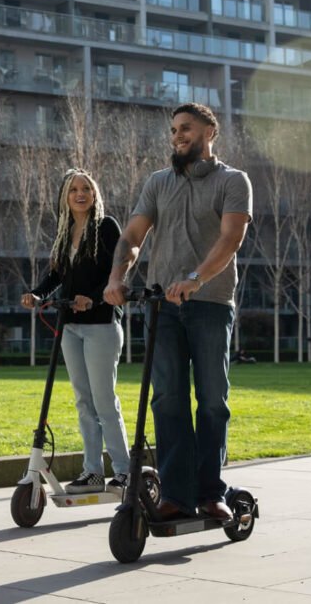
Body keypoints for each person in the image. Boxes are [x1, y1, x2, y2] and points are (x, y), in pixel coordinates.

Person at [103, 103, 252, 521]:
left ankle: (210, 493)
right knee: (167, 400)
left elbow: (231, 238)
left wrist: (195, 279)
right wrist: (117, 276)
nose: (177, 136)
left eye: (185, 128)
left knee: (210, 402)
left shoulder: (233, 181)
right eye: (173, 130)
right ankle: (175, 495)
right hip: (162, 307)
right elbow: (133, 235)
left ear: (210, 132)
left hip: (209, 304)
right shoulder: (157, 183)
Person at [21, 168, 131, 494]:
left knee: (104, 402)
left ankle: (123, 471)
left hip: (100, 325)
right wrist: (38, 294)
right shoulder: (64, 231)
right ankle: (92, 472)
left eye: (86, 189)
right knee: (83, 402)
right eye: (73, 190)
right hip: (69, 327)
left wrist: (94, 298)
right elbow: (57, 276)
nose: (80, 194)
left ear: (94, 194)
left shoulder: (106, 227)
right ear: (65, 197)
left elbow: (116, 271)